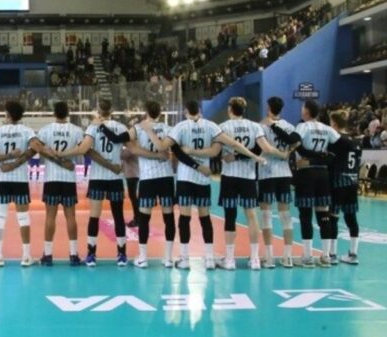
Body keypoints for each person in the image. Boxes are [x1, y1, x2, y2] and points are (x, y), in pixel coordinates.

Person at [143, 100, 265, 270]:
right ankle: (209, 259)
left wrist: (148, 129)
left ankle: (185, 259)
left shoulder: (180, 127)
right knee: (205, 218)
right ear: (200, 111)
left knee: (184, 218)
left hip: (186, 178)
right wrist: (255, 156)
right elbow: (226, 147)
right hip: (204, 178)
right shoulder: (211, 126)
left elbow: (162, 146)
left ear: (186, 111)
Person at [0, 101, 60, 267]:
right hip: (20, 180)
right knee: (23, 217)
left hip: (3, 179)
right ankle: (26, 257)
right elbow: (37, 148)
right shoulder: (27, 131)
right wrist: (54, 155)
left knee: (0, 216)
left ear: (7, 115)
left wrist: (5, 159)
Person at [216, 97, 287, 271]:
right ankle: (255, 259)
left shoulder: (223, 127)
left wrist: (232, 156)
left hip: (230, 175)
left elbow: (217, 152)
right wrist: (284, 154)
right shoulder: (255, 126)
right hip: (248, 176)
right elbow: (266, 148)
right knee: (252, 216)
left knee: (230, 216)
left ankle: (230, 259)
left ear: (230, 109)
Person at [57, 100, 130, 267]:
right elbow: (131, 148)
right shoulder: (121, 127)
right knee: (118, 216)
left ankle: (91, 255)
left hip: (97, 177)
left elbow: (83, 150)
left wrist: (63, 154)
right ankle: (122, 254)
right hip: (115, 178)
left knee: (94, 217)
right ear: (112, 110)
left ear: (98, 110)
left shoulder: (92, 127)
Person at [271, 100, 340, 267]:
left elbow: (290, 139)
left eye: (303, 108)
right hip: (323, 174)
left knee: (306, 215)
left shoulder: (303, 126)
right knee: (323, 214)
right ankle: (325, 256)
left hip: (307, 174)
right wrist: (323, 156)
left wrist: (274, 127)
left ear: (307, 112)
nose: (301, 110)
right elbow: (338, 147)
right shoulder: (326, 128)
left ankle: (308, 256)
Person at [128, 102, 177, 268]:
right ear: (160, 112)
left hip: (148, 178)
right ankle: (168, 258)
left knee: (144, 218)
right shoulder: (168, 128)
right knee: (168, 217)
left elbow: (129, 144)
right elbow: (173, 152)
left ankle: (143, 257)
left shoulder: (138, 128)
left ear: (146, 111)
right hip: (166, 178)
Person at [36, 102, 83, 267]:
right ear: (68, 113)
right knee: (71, 216)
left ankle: (47, 255)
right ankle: (73, 254)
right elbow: (81, 150)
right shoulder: (77, 130)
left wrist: (56, 158)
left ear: (54, 113)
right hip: (69, 179)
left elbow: (40, 150)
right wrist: (65, 162)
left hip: (51, 179)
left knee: (50, 216)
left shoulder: (45, 130)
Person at [258, 97, 296, 268]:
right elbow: (293, 145)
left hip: (267, 172)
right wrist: (284, 154)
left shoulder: (263, 125)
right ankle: (288, 256)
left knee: (266, 214)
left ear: (268, 107)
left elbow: (263, 147)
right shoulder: (289, 126)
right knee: (285, 214)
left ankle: (269, 256)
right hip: (284, 172)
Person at [325, 110, 362, 265]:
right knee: (351, 217)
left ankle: (332, 254)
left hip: (338, 183)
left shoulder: (336, 141)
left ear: (334, 123)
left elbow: (330, 161)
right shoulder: (356, 141)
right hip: (352, 183)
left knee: (333, 217)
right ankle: (353, 254)